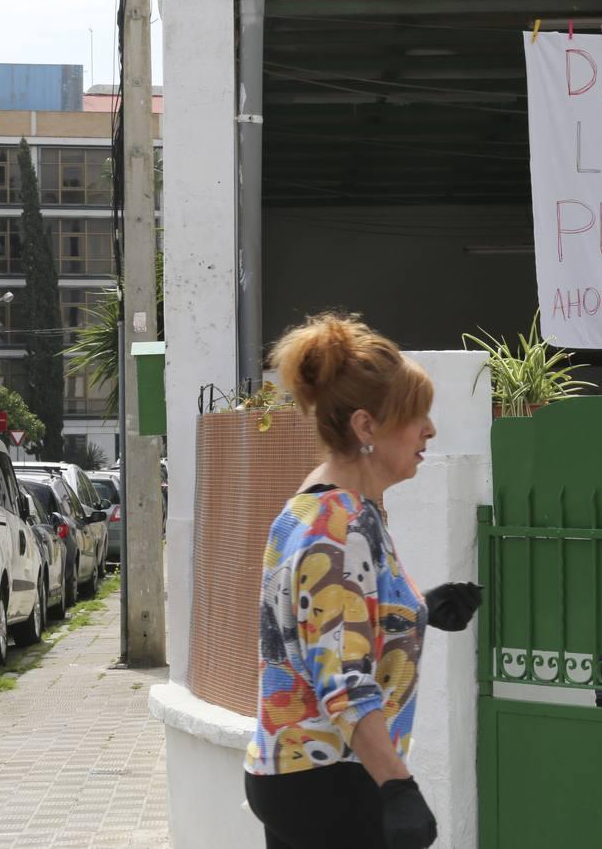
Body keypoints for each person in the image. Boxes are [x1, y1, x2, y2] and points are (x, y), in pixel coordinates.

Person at [244, 313, 482, 849]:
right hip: (330, 779)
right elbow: (343, 679)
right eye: (415, 415)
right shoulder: (339, 527)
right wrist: (399, 787)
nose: (430, 429)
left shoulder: (327, 508)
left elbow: (319, 627)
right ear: (365, 426)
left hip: (303, 772)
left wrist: (418, 610)